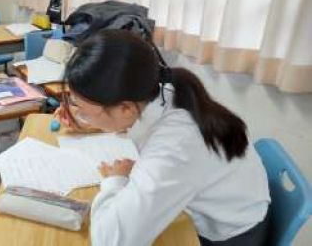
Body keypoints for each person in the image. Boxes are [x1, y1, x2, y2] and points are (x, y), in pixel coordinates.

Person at [55, 29, 271, 246]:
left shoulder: (176, 146)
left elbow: (110, 241)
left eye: (82, 108)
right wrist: (87, 121)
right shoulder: (162, 90)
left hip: (230, 235)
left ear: (125, 108)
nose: (79, 113)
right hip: (217, 207)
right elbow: (133, 123)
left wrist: (114, 181)